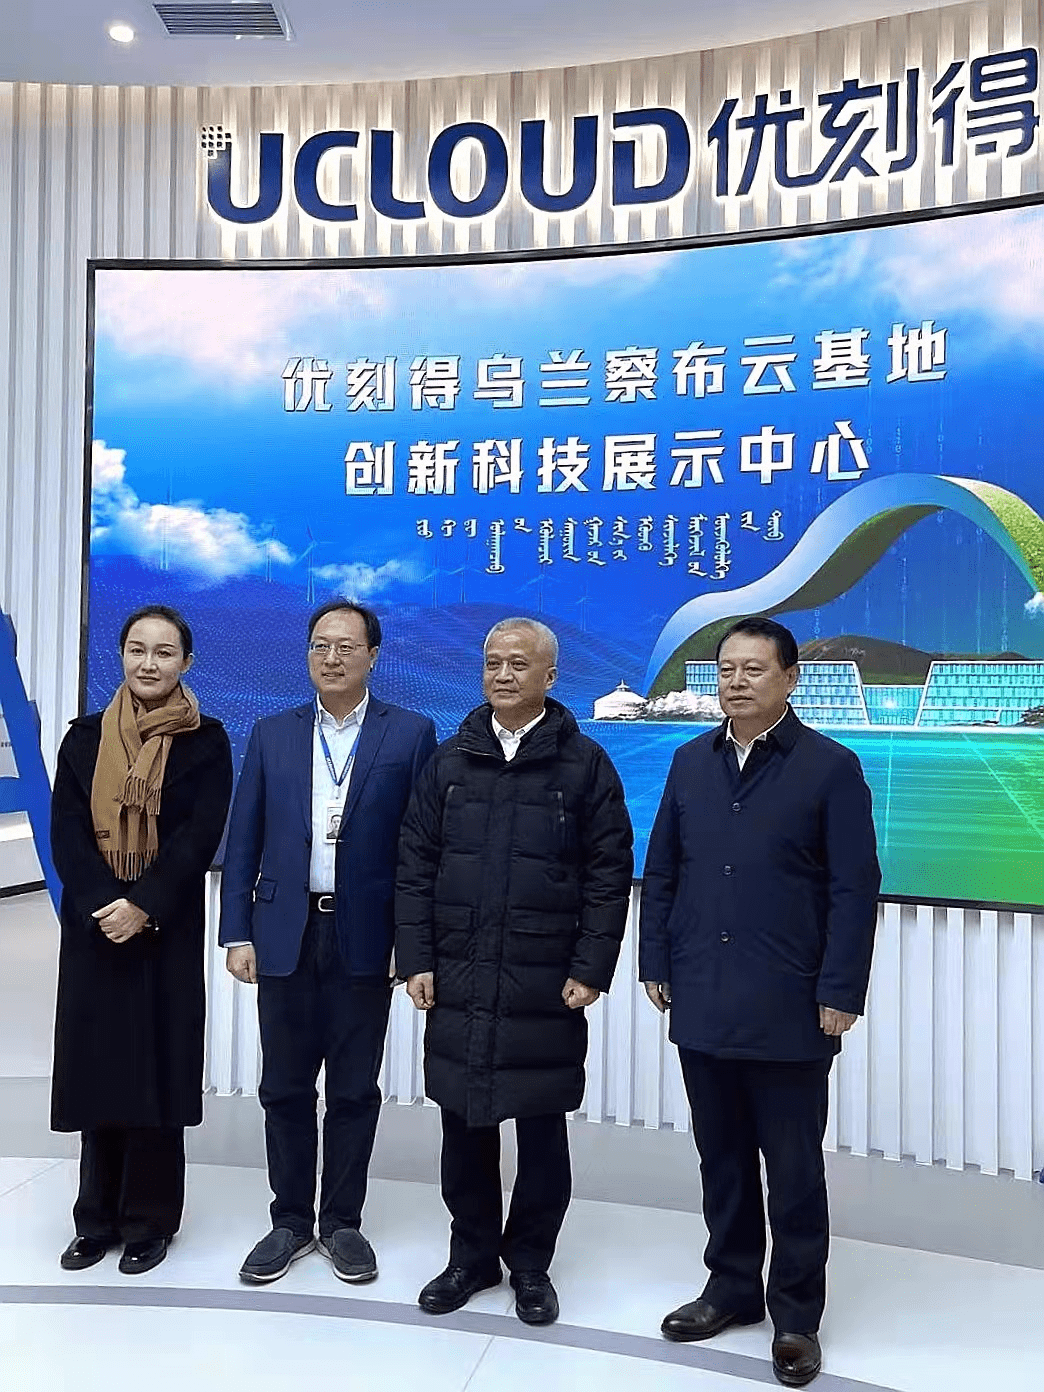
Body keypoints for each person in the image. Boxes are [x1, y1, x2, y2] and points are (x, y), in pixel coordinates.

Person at [639, 616, 880, 1388]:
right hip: (702, 994)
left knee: (794, 1167)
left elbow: (854, 889)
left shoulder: (830, 767)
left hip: (791, 1004)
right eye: (726, 669)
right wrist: (655, 960)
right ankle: (732, 1287)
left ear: (790, 678)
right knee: (722, 1157)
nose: (736, 681)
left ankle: (797, 1317)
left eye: (753, 669)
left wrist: (840, 989)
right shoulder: (690, 761)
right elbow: (663, 871)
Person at [396, 617, 633, 1327]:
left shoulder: (584, 765)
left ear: (550, 677)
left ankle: (530, 1264)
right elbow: (415, 867)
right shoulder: (448, 762)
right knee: (463, 1124)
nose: (502, 674)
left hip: (545, 976)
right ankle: (469, 1258)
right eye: (493, 662)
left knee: (541, 1127)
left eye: (519, 664)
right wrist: (417, 959)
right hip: (460, 973)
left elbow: (608, 873)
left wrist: (592, 966)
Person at [220, 600, 436, 1286]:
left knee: (352, 1089)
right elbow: (243, 838)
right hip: (284, 931)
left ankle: (342, 1221)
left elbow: (420, 849)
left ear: (373, 655)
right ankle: (289, 1220)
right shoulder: (272, 733)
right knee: (283, 1086)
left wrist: (412, 942)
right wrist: (236, 930)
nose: (331, 657)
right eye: (320, 645)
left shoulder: (410, 733)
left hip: (365, 936)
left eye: (345, 646)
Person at [51, 604, 232, 1276]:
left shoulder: (207, 741)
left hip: (165, 928)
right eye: (136, 649)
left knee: (157, 1071)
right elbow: (67, 831)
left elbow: (199, 836)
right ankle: (95, 1219)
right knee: (99, 1069)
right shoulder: (84, 738)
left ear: (186, 661)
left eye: (163, 652)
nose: (148, 663)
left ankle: (150, 1220)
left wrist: (144, 905)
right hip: (96, 928)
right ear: (121, 655)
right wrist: (106, 904)